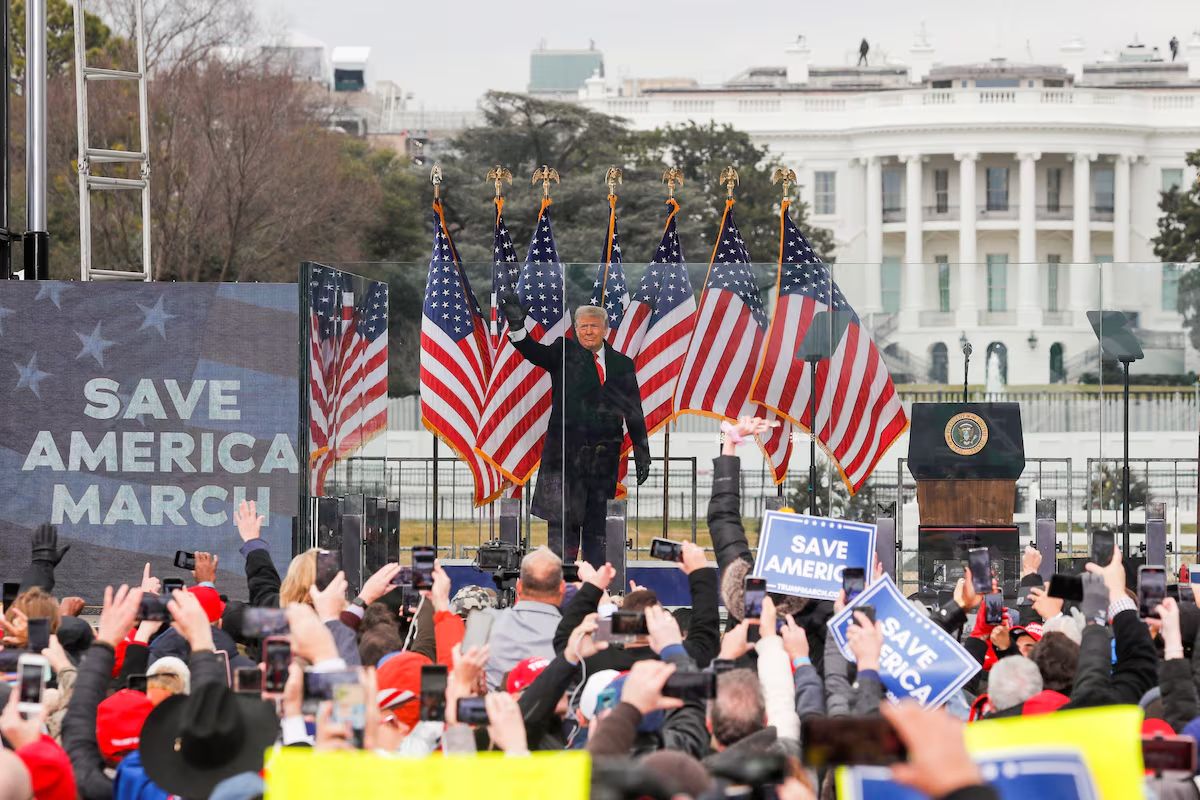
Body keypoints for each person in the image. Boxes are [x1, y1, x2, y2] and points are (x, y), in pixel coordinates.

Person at [498, 297, 651, 566]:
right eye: (583, 326)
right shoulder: (563, 352)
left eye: (594, 326)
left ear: (605, 329)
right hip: (565, 460)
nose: (588, 331)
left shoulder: (622, 364)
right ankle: (561, 583)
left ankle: (594, 583)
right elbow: (533, 352)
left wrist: (641, 451)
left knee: (597, 532)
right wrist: (518, 328)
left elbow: (633, 410)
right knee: (563, 534)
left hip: (603, 462)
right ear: (576, 329)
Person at [484, 547, 565, 690]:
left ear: (519, 586)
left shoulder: (484, 623)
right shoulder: (577, 635)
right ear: (562, 588)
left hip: (496, 702)